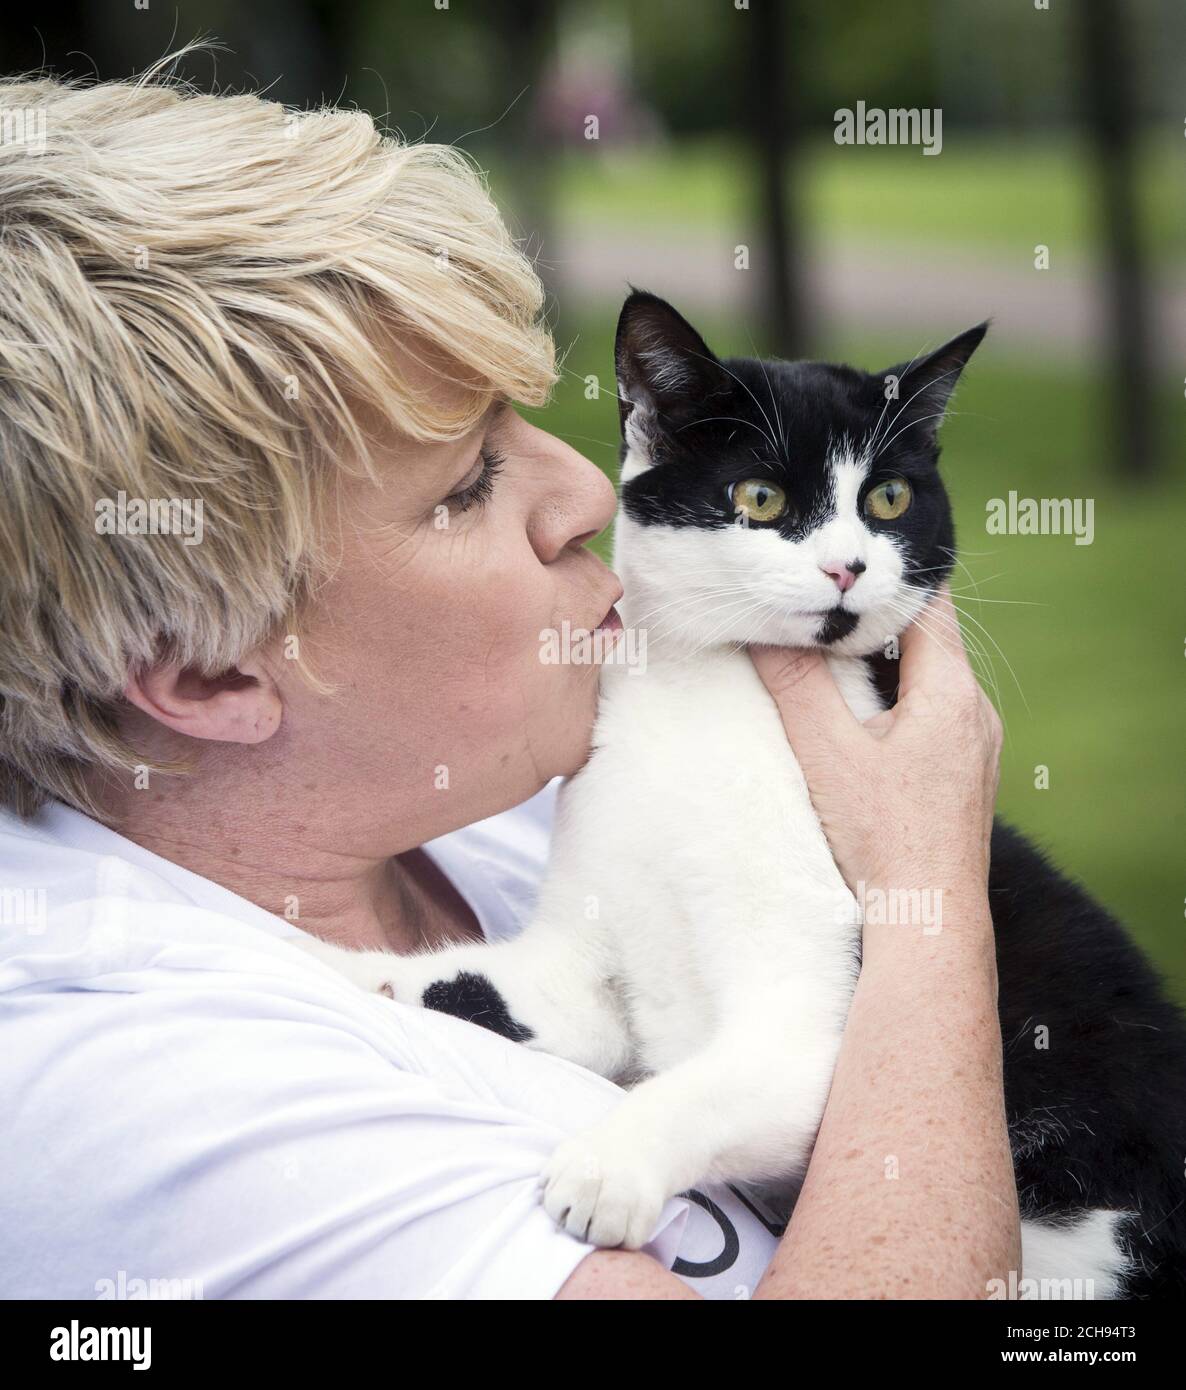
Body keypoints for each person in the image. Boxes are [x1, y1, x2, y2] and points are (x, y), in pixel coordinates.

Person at [0, 60, 1013, 1300]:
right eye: (467, 484)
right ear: (210, 674)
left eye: (522, 417)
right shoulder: (157, 1097)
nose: (588, 489)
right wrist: (930, 896)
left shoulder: (489, 773)